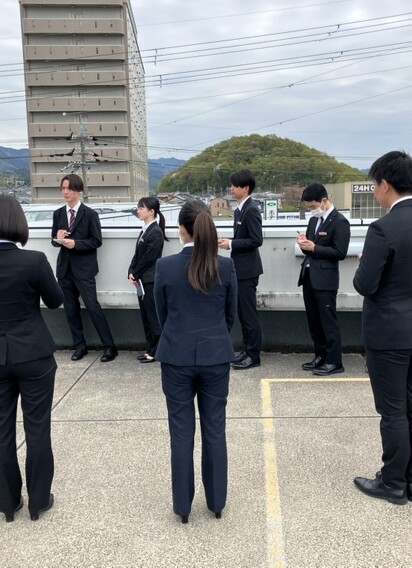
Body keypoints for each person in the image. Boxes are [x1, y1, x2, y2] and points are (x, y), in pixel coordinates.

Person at [352, 151, 412, 505]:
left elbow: (365, 285)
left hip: (388, 331)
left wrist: (365, 262)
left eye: (375, 185)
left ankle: (392, 482)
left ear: (385, 184)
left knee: (393, 410)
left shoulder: (382, 228)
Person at [0, 195, 64, 522]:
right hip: (33, 353)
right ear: (19, 222)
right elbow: (55, 300)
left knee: (0, 429)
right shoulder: (34, 260)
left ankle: (8, 503)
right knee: (37, 428)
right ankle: (38, 501)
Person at [154, 200, 238, 524]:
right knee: (215, 428)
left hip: (176, 355)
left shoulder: (165, 267)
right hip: (216, 355)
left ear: (182, 229)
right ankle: (217, 502)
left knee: (181, 431)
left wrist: (179, 337)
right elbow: (230, 315)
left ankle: (183, 507)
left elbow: (162, 314)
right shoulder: (225, 267)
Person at [51, 173, 118, 362]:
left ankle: (109, 346)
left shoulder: (90, 214)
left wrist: (76, 244)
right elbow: (54, 241)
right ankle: (79, 346)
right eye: (63, 188)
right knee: (70, 309)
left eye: (69, 188)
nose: (65, 192)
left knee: (92, 306)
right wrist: (58, 237)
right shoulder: (58, 214)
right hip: (64, 269)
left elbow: (97, 241)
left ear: (79, 191)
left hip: (84, 269)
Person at [296, 183, 350, 375]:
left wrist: (315, 248)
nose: (311, 210)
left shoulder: (340, 221)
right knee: (314, 320)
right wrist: (304, 245)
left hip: (326, 279)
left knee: (328, 321)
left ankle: (334, 361)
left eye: (313, 206)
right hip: (309, 276)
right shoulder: (313, 221)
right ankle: (320, 356)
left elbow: (340, 252)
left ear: (324, 200)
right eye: (308, 207)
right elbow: (311, 249)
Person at [218, 169, 264, 370]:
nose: (231, 189)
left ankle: (253, 355)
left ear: (246, 188)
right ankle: (246, 351)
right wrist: (230, 242)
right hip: (240, 268)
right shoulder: (239, 209)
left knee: (248, 314)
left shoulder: (251, 210)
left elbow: (256, 240)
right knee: (243, 314)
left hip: (248, 270)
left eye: (235, 186)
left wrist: (231, 244)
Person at [128, 196, 168, 363]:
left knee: (152, 317)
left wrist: (136, 273)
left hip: (150, 280)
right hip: (142, 279)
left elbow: (149, 258)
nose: (138, 211)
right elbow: (138, 255)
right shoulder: (145, 230)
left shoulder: (155, 232)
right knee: (145, 317)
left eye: (141, 208)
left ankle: (156, 351)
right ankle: (150, 349)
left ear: (152, 211)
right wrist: (131, 271)